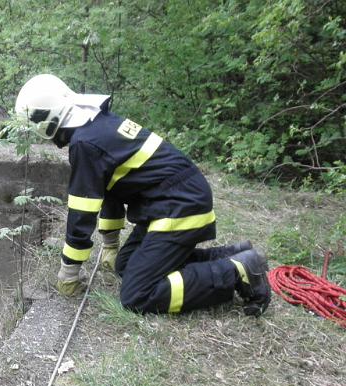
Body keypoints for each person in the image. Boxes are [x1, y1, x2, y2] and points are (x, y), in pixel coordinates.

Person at [14, 74, 271, 316]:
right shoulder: (97, 126)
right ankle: (232, 254)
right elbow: (111, 191)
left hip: (179, 207)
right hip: (174, 200)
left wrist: (69, 271)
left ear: (45, 120)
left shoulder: (84, 144)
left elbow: (82, 213)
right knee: (125, 264)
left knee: (137, 294)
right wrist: (111, 246)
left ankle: (237, 271)